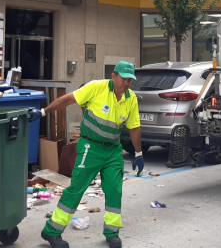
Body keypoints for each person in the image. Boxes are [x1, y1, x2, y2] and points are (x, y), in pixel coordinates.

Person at [28, 61, 144, 248]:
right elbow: (68, 99)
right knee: (77, 188)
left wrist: (138, 153)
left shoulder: (130, 99)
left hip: (113, 150)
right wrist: (43, 112)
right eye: (124, 79)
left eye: (130, 80)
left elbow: (134, 126)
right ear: (113, 76)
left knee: (115, 190)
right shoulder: (96, 87)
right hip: (91, 147)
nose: (127, 83)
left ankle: (112, 232)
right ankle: (51, 231)